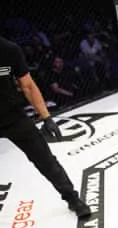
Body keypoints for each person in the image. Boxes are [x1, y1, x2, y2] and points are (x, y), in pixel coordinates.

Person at [0, 36, 91, 218]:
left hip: (13, 116)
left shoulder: (8, 49)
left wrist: (46, 117)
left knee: (45, 159)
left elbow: (28, 85)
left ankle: (72, 198)